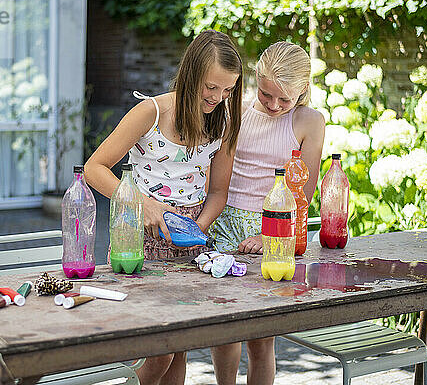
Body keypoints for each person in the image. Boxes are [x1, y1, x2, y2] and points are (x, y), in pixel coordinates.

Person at [84, 29, 243, 385]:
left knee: (179, 350)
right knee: (160, 352)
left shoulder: (224, 121)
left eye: (228, 90)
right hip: (139, 237)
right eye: (211, 87)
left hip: (188, 243)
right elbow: (95, 168)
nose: (219, 98)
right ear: (190, 75)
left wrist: (196, 229)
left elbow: (218, 192)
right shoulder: (150, 112)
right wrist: (145, 204)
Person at [208, 41, 325, 385]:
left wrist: (270, 235)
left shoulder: (309, 122)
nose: (273, 105)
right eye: (265, 94)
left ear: (303, 89)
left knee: (262, 336)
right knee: (225, 328)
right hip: (224, 223)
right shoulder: (235, 109)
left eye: (284, 99)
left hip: (273, 228)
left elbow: (303, 190)